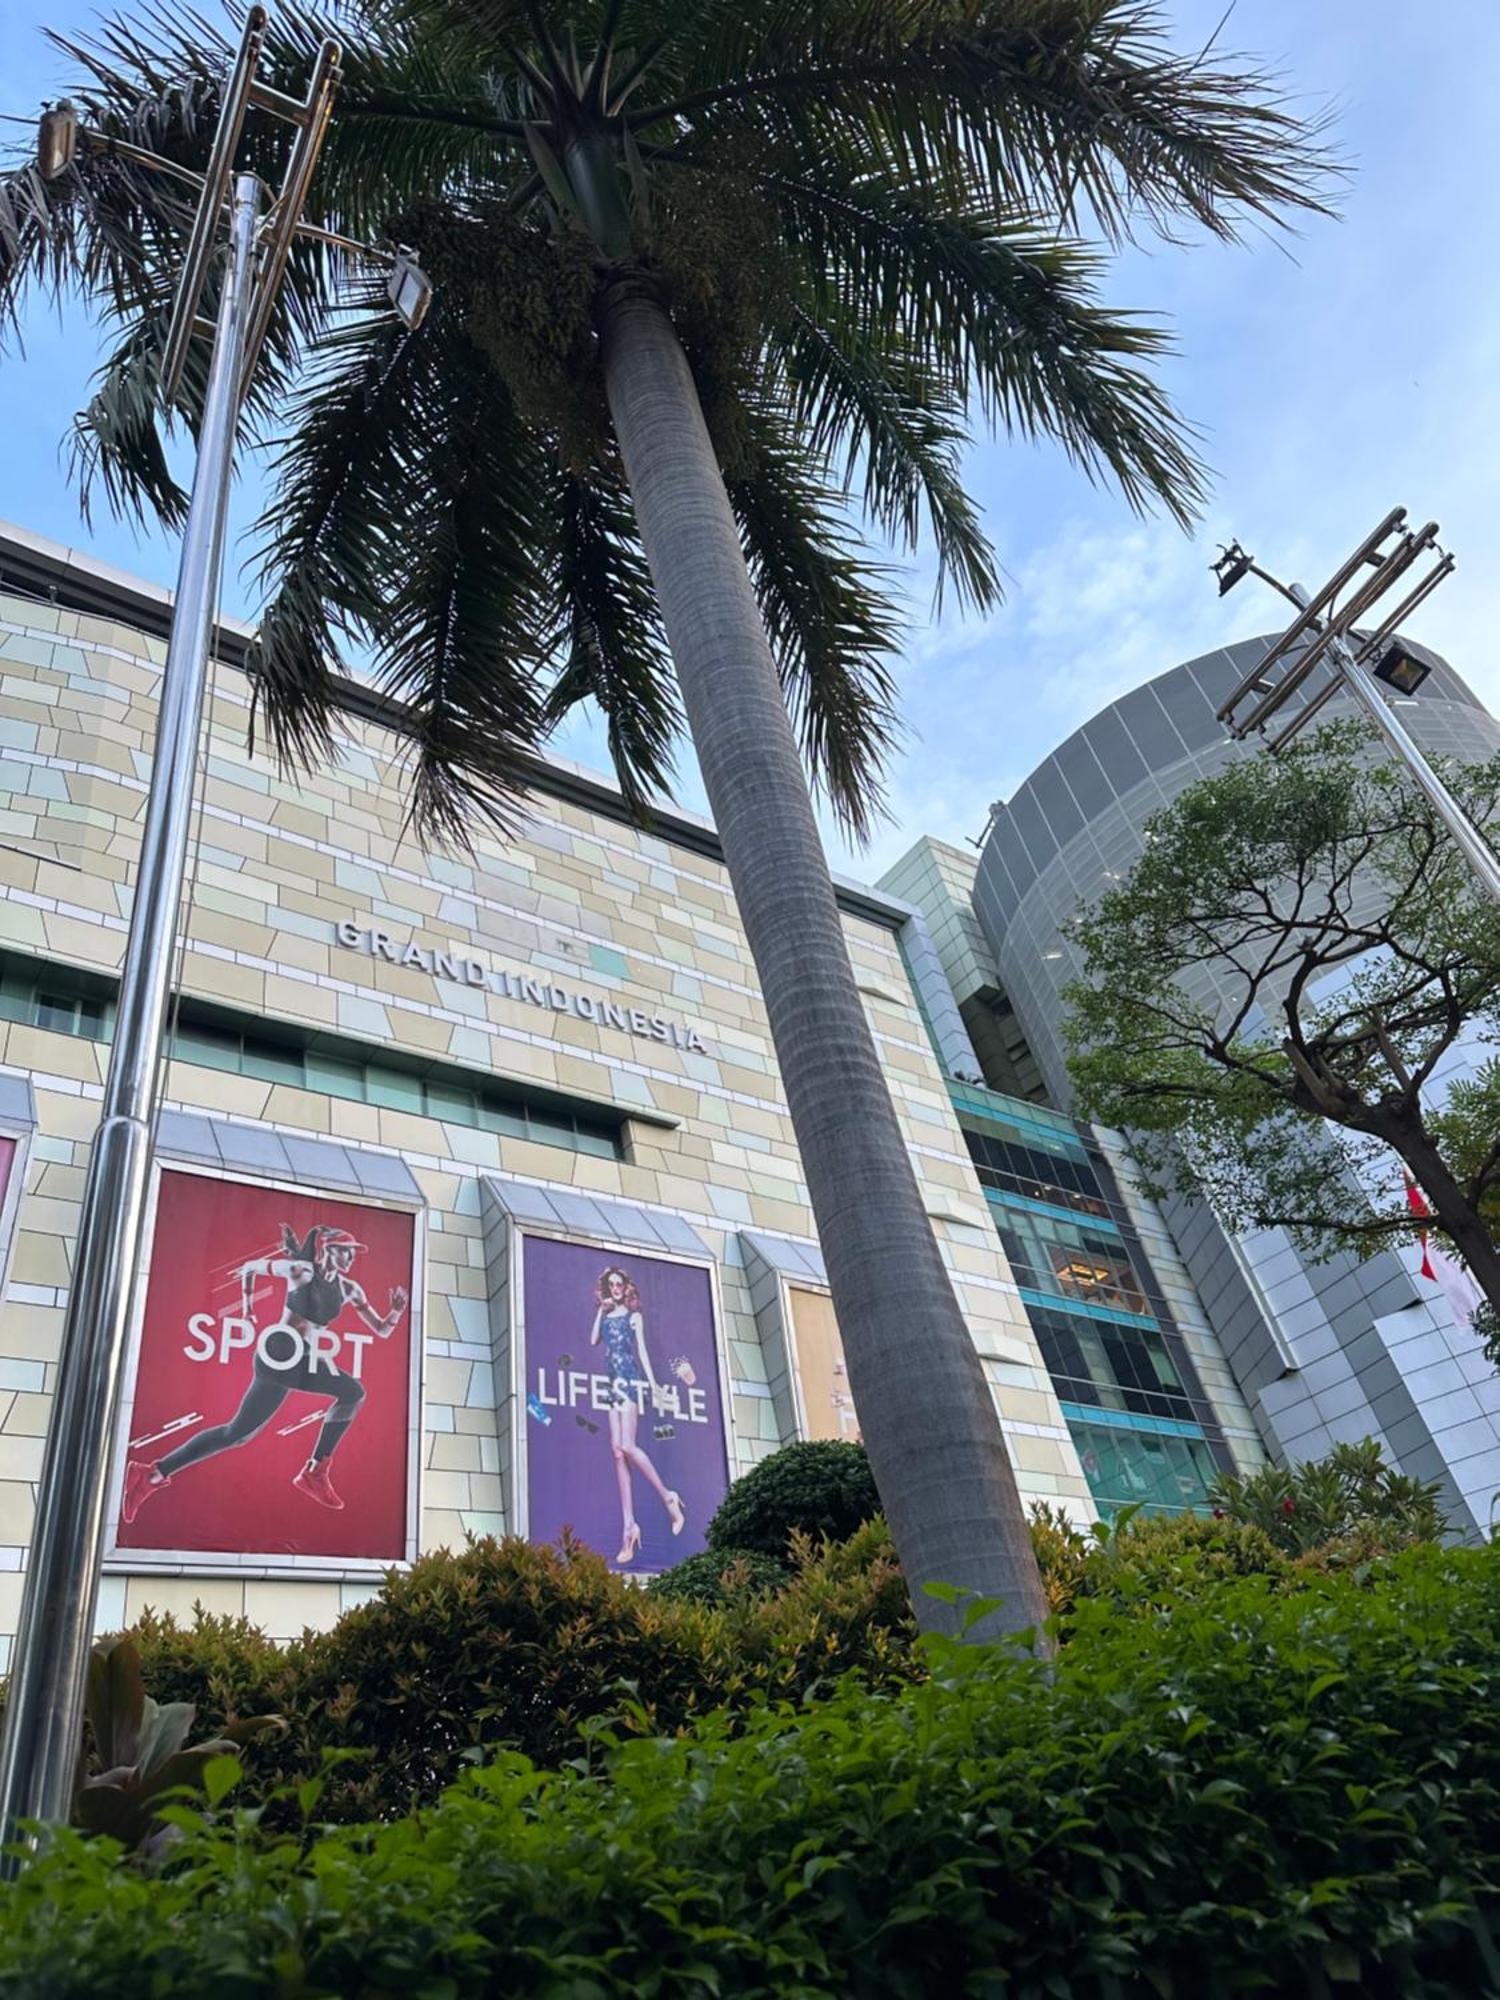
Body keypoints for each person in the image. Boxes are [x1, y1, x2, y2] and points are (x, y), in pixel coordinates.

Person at [121, 1222, 408, 1524]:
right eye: (346, 1251)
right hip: (280, 1352)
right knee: (343, 1396)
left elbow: (381, 1330)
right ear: (329, 1249)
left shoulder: (350, 1289)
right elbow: (249, 1268)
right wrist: (247, 1309)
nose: (351, 1258)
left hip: (303, 1359)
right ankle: (312, 1472)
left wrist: (396, 1311)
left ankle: (151, 1474)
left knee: (239, 1434)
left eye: (353, 1254)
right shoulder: (301, 1272)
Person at [589, 1265, 684, 1563]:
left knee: (628, 1446)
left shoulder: (634, 1317)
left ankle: (668, 1496)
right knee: (617, 1452)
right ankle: (629, 1527)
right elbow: (593, 1340)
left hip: (629, 1381)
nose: (616, 1288)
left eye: (619, 1284)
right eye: (611, 1285)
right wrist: (601, 1311)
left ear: (625, 1287)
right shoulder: (607, 1316)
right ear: (607, 1288)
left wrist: (653, 1385)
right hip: (611, 1385)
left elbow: (641, 1351)